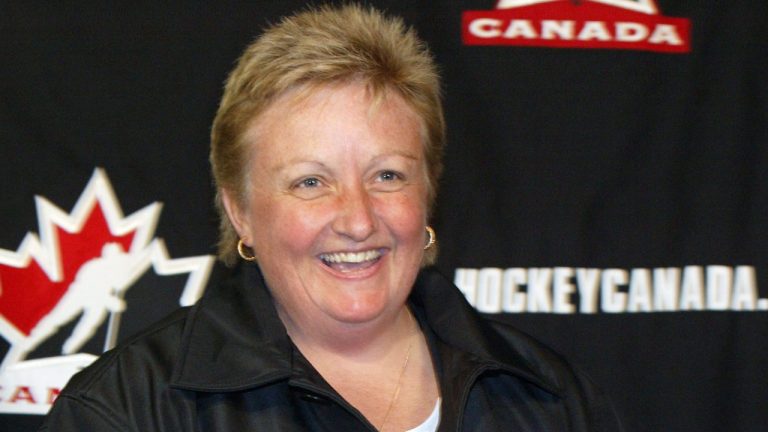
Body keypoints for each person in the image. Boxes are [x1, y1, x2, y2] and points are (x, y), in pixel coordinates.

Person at [40, 4, 622, 431]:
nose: (359, 219)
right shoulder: (128, 410)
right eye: (311, 182)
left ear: (428, 193)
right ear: (240, 211)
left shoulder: (549, 398)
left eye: (388, 175)